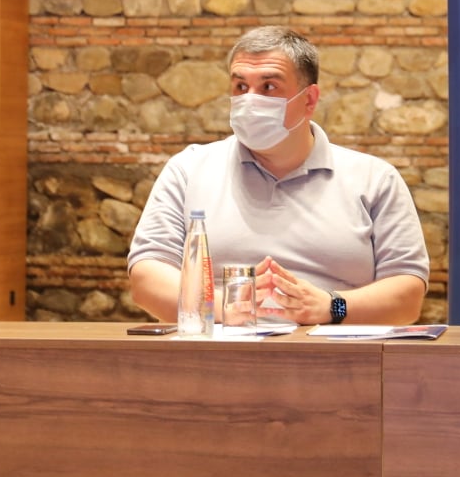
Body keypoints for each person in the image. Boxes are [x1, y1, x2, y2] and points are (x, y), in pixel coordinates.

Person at [127, 26, 430, 326]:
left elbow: (407, 296)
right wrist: (226, 306)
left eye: (269, 87)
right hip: (220, 351)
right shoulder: (189, 169)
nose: (250, 100)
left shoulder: (375, 179)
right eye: (240, 87)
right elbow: (146, 278)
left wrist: (331, 306)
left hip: (334, 353)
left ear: (309, 100)